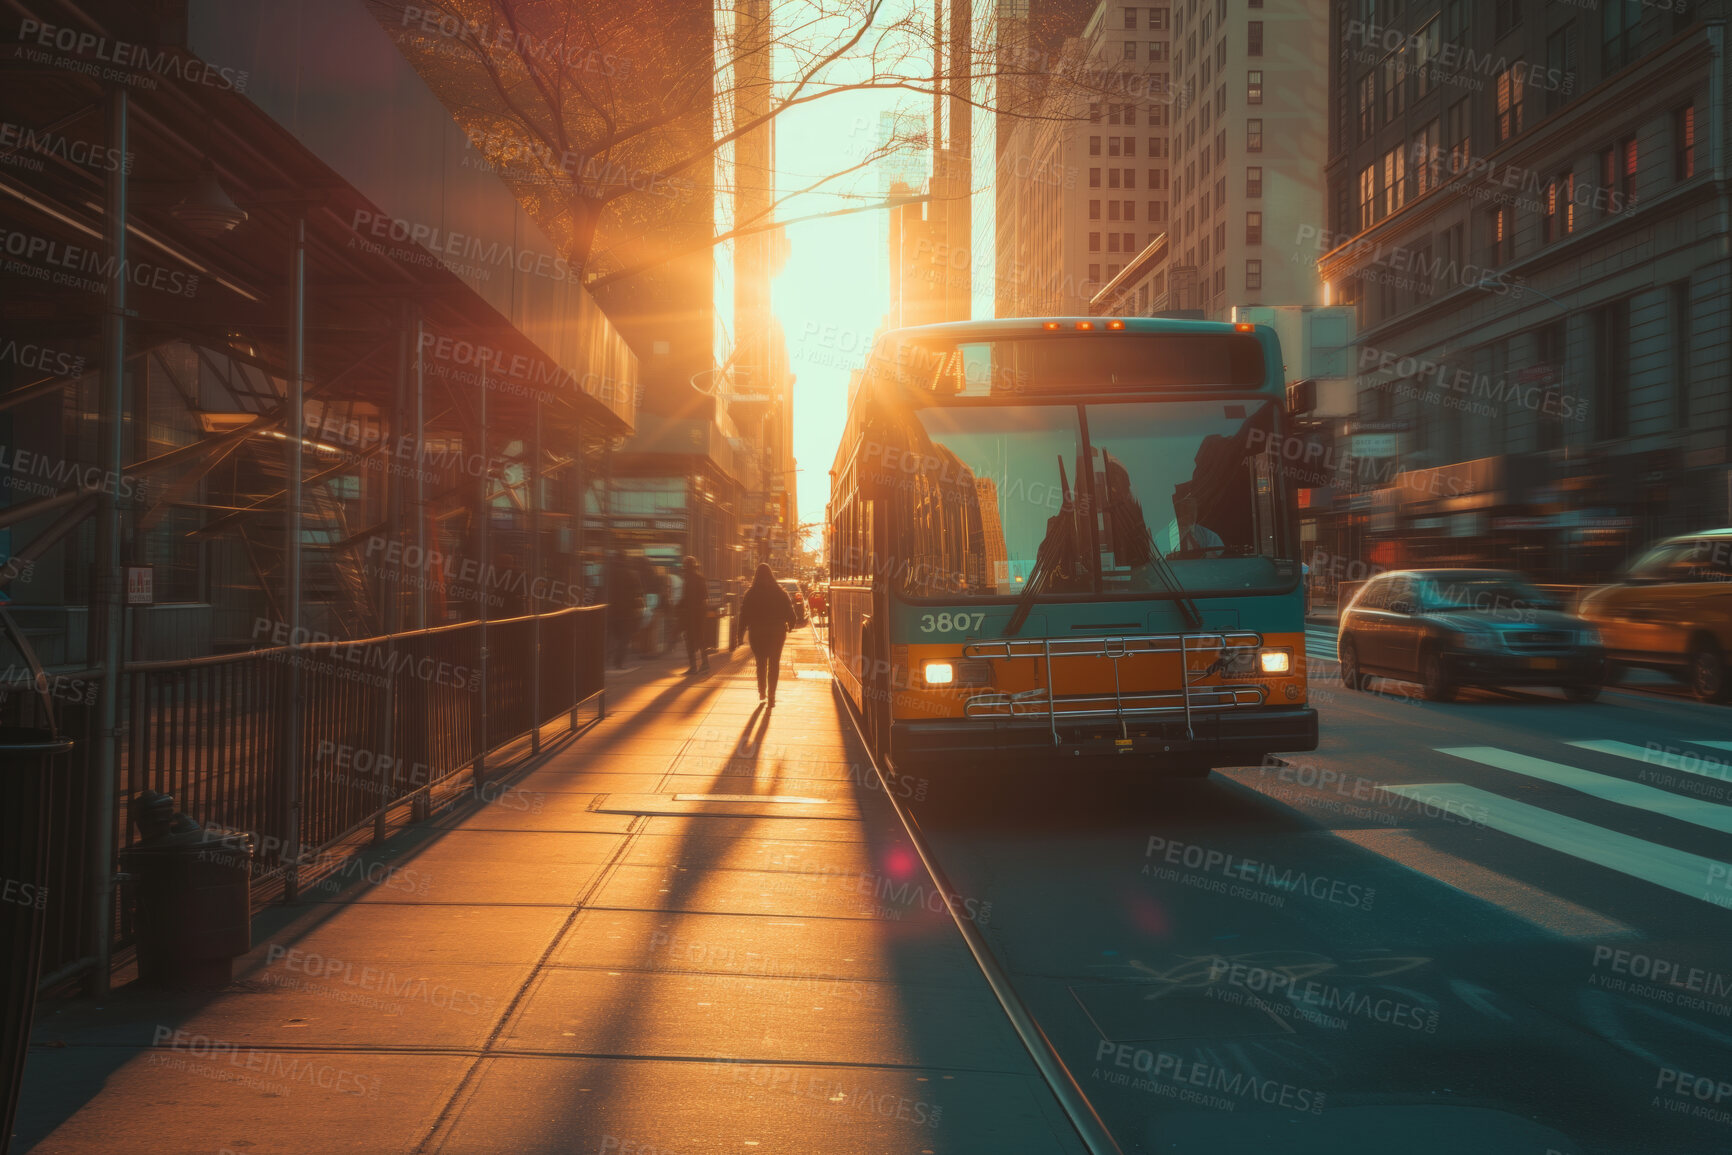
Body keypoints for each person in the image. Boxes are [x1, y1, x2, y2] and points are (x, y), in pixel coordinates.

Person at [738, 563, 796, 706]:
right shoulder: (780, 593)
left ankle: (762, 690)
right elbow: (791, 614)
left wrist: (739, 634)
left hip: (757, 632)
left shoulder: (750, 594)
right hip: (777, 631)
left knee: (761, 662)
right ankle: (771, 695)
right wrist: (790, 626)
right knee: (774, 663)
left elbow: (743, 615)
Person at [604, 554, 643, 669]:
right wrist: (638, 609)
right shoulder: (631, 574)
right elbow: (638, 593)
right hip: (627, 611)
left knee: (610, 636)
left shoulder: (608, 574)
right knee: (624, 638)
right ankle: (618, 662)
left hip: (611, 610)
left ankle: (606, 658)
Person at [679, 556, 710, 674]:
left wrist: (680, 606)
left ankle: (695, 666)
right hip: (697, 614)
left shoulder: (690, 579)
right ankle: (704, 663)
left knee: (691, 640)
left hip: (692, 615)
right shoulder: (699, 578)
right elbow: (705, 597)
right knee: (699, 639)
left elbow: (691, 598)